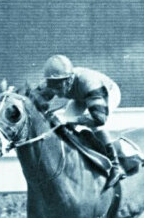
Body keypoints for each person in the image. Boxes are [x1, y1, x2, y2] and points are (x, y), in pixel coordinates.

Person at [35, 54, 125, 189]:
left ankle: (116, 166)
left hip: (106, 93)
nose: (56, 92)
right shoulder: (52, 83)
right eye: (52, 87)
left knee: (95, 126)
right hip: (80, 97)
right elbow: (32, 100)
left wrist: (69, 120)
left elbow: (99, 118)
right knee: (65, 125)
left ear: (70, 80)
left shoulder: (90, 83)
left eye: (59, 87)